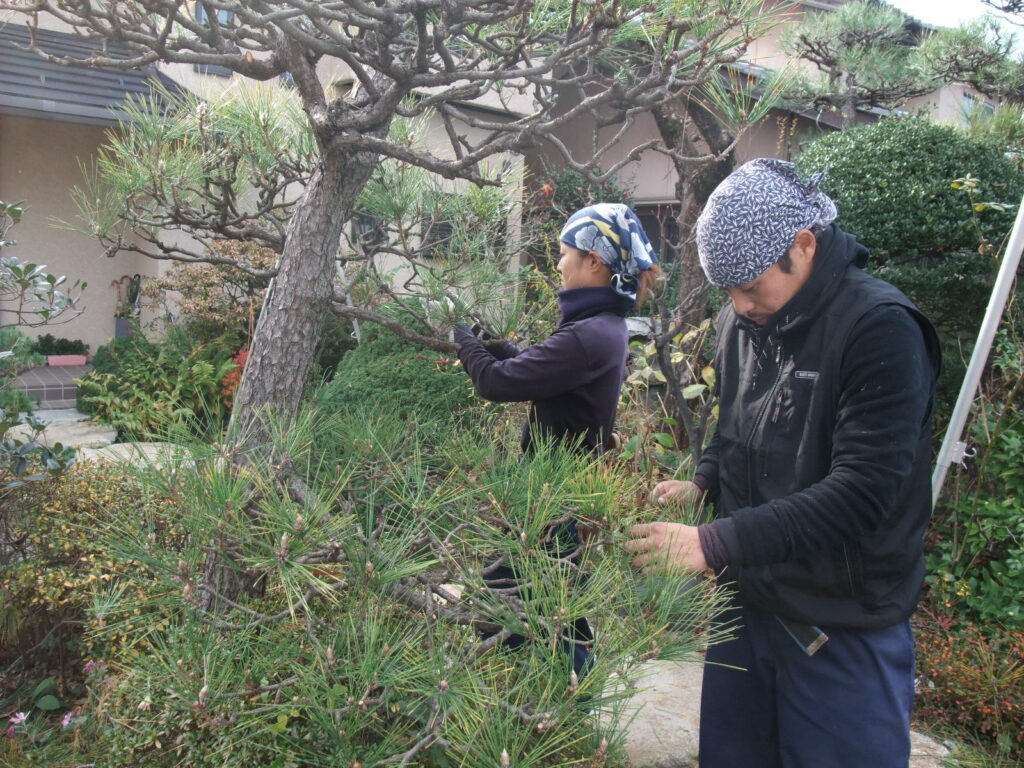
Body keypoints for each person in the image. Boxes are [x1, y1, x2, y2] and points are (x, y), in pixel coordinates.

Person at [625, 158, 941, 768]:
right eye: (729, 292)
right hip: (748, 603)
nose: (739, 306)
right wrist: (704, 482)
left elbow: (863, 493)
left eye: (750, 287)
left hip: (839, 620)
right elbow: (734, 433)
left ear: (803, 245)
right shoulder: (742, 321)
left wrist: (714, 543)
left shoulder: (880, 330)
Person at [455, 202, 660, 676]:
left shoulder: (589, 334)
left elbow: (496, 384)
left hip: (551, 504)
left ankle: (561, 707)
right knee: (545, 609)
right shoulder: (599, 328)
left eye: (566, 252)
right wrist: (500, 347)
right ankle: (546, 706)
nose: (560, 262)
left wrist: (462, 337)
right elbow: (547, 373)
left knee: (529, 612)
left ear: (595, 262)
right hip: (560, 496)